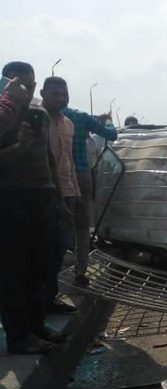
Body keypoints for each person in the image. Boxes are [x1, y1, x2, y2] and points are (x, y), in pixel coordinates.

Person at [0, 61, 67, 354]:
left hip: (42, 197)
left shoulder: (38, 113)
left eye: (30, 85)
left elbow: (48, 158)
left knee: (40, 267)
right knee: (13, 270)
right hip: (11, 199)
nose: (26, 91)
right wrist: (18, 148)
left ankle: (37, 326)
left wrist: (58, 194)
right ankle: (19, 336)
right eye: (20, 85)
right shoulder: (4, 114)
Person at [63, 105, 117, 286]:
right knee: (82, 226)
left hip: (55, 175)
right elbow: (111, 134)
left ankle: (52, 272)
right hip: (81, 173)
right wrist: (107, 120)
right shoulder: (81, 117)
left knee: (57, 224)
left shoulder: (43, 113)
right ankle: (80, 272)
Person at [40, 76, 79, 313]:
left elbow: (69, 161)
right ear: (43, 94)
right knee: (42, 249)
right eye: (55, 94)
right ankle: (38, 300)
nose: (61, 99)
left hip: (67, 193)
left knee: (60, 249)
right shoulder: (36, 120)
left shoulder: (68, 124)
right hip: (43, 194)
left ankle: (50, 296)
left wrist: (76, 191)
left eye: (64, 94)